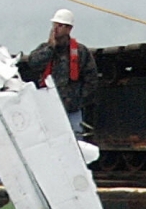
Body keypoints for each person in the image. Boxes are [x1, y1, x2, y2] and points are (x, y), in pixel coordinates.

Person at [20, 8, 99, 136]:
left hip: (71, 109)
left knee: (76, 139)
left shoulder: (80, 51)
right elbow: (33, 64)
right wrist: (50, 47)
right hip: (48, 108)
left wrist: (78, 100)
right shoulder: (44, 49)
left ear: (69, 28)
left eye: (60, 25)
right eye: (54, 25)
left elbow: (91, 79)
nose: (56, 28)